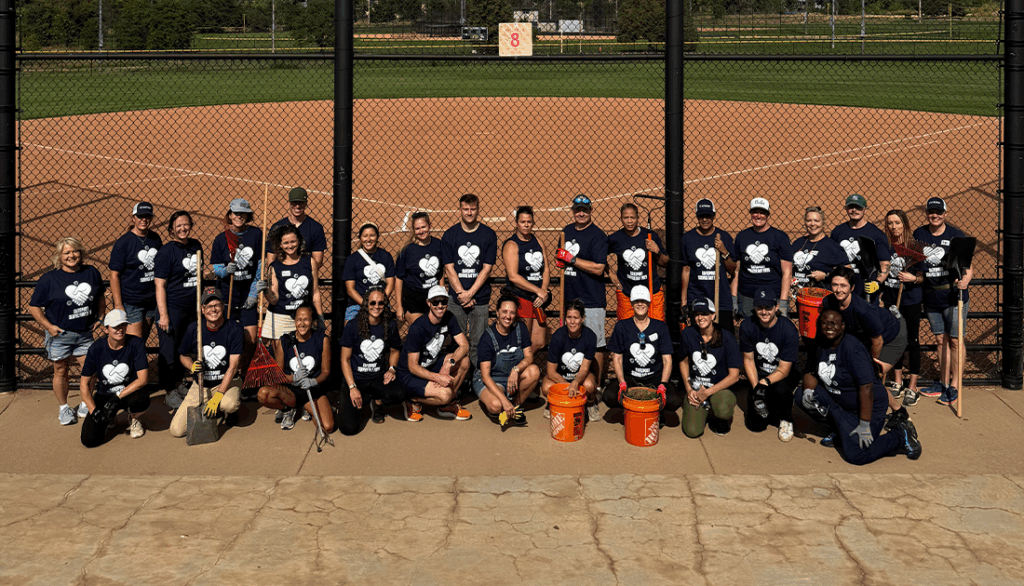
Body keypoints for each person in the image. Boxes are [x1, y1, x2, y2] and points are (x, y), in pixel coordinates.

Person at [796, 309, 921, 464]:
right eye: (825, 322)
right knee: (801, 396)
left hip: (869, 406)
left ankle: (900, 436)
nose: (829, 326)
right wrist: (808, 390)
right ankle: (841, 431)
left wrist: (864, 424)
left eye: (834, 323)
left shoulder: (852, 348)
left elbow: (866, 388)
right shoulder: (819, 343)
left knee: (856, 454)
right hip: (840, 402)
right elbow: (810, 371)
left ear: (843, 326)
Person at [28, 236, 106, 425]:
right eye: (67, 253)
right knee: (60, 371)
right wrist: (48, 327)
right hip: (60, 334)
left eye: (74, 251)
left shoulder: (91, 272)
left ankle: (84, 403)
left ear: (81, 253)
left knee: (91, 370)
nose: (71, 255)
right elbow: (34, 306)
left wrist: (101, 317)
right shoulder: (49, 279)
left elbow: (100, 298)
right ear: (59, 256)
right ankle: (63, 408)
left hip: (84, 333)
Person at [822, 266, 912, 427]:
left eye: (843, 285)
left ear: (852, 287)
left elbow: (878, 341)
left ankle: (899, 411)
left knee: (870, 376)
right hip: (864, 337)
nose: (838, 289)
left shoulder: (862, 311)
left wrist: (870, 361)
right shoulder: (829, 302)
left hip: (891, 336)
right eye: (835, 284)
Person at [913, 197, 973, 405]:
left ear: (945, 214)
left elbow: (967, 268)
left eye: (939, 212)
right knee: (940, 340)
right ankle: (942, 383)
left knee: (956, 340)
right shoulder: (919, 234)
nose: (935, 215)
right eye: (931, 212)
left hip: (953, 296)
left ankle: (955, 385)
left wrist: (964, 281)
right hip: (931, 295)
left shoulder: (956, 236)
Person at [602, 286, 682, 424]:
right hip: (630, 377)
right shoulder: (622, 326)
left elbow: (667, 360)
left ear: (649, 303)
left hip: (654, 378)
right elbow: (617, 358)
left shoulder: (660, 327)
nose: (640, 304)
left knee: (674, 401)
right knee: (609, 396)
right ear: (632, 304)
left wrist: (663, 385)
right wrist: (622, 382)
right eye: (637, 301)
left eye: (644, 301)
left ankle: (654, 411)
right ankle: (631, 410)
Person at [170, 288, 244, 437]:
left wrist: (218, 396)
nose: (213, 309)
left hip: (226, 382)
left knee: (229, 404)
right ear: (202, 310)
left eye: (217, 305)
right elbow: (182, 355)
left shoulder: (234, 329)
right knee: (177, 431)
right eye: (209, 306)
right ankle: (212, 407)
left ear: (222, 306)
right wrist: (192, 366)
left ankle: (225, 410)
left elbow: (233, 366)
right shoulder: (194, 329)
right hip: (202, 384)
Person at [395, 285, 472, 422]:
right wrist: (437, 378)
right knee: (445, 394)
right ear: (428, 303)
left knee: (464, 361)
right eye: (435, 302)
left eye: (443, 301)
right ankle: (413, 400)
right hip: (409, 374)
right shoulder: (418, 327)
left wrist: (449, 363)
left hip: (430, 365)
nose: (440, 305)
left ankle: (446, 405)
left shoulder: (449, 317)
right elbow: (412, 366)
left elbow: (464, 345)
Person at [338, 289, 407, 433]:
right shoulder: (352, 325)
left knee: (399, 393)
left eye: (381, 303)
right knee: (348, 429)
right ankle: (360, 398)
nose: (377, 306)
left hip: (378, 377)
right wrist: (352, 387)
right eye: (373, 303)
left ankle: (377, 402)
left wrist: (392, 369)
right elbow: (345, 359)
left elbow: (395, 351)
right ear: (365, 304)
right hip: (356, 378)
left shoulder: (390, 325)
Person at [154, 210, 203, 409]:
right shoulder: (166, 252)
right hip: (172, 309)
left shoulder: (196, 246)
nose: (183, 228)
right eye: (178, 226)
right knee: (169, 350)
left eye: (186, 225)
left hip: (192, 309)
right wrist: (164, 315)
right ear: (172, 229)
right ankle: (169, 390)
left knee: (187, 347)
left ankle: (182, 383)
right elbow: (160, 285)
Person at [558, 194, 609, 384]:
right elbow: (560, 260)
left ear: (591, 211)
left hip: (592, 299)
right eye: (577, 210)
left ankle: (595, 386)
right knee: (570, 341)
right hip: (570, 299)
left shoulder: (598, 236)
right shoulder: (566, 232)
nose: (581, 214)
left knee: (595, 345)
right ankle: (571, 382)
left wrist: (571, 259)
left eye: (584, 210)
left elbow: (598, 268)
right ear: (572, 211)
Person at [257, 305, 333, 433]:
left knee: (327, 427)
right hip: (292, 391)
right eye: (299, 319)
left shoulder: (322, 339)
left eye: (306, 319)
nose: (302, 324)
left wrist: (314, 381)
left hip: (313, 390)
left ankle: (307, 407)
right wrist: (294, 378)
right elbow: (278, 375)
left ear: (313, 321)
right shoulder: (285, 341)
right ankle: (288, 408)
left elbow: (326, 371)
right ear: (294, 321)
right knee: (263, 394)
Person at [441, 193, 497, 367]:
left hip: (479, 298)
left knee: (478, 342)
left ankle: (476, 378)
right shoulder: (450, 235)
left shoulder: (488, 235)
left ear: (478, 209)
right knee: (455, 341)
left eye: (473, 209)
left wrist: (470, 293)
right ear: (460, 210)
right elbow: (449, 268)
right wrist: (461, 294)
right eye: (466, 209)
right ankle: (457, 378)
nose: (469, 213)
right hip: (456, 299)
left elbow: (486, 269)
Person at [79, 310, 150, 446]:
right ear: (106, 329)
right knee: (89, 440)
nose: (120, 330)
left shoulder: (136, 343)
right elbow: (84, 384)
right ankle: (109, 418)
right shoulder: (96, 348)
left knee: (141, 400)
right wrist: (94, 411)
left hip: (128, 393)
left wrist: (117, 397)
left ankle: (135, 418)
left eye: (123, 325)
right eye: (115, 326)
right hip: (104, 395)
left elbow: (143, 379)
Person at [738, 287, 801, 441]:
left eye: (768, 307)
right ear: (754, 308)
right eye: (760, 307)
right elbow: (748, 360)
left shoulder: (787, 329)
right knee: (755, 425)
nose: (764, 312)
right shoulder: (747, 326)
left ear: (776, 307)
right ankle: (769, 405)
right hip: (759, 373)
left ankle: (786, 418)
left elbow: (784, 369)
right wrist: (756, 389)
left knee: (780, 389)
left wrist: (764, 383)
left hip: (783, 374)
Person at [473, 294, 541, 428]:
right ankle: (504, 404)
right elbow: (485, 376)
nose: (508, 316)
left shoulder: (520, 329)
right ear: (497, 312)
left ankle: (514, 407)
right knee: (496, 405)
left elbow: (529, 357)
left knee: (534, 371)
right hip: (492, 378)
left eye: (512, 313)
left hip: (511, 376)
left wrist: (516, 370)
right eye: (504, 312)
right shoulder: (487, 338)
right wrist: (504, 401)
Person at [678, 298, 741, 438]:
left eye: (704, 313)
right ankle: (702, 412)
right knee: (692, 431)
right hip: (696, 388)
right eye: (697, 314)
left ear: (713, 315)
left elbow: (735, 375)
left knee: (723, 409)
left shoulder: (727, 337)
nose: (700, 318)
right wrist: (689, 389)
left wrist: (708, 392)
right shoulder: (688, 334)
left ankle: (720, 418)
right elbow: (683, 361)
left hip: (719, 388)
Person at [882, 209, 925, 406]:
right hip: (892, 299)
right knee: (895, 338)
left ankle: (913, 386)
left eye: (897, 223)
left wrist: (913, 278)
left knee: (912, 341)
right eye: (890, 223)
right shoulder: (886, 245)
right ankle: (898, 380)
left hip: (911, 300)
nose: (894, 227)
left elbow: (924, 276)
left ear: (904, 224)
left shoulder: (915, 246)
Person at [211, 198, 263, 349]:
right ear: (230, 215)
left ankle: (245, 372)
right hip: (228, 293)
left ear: (247, 216)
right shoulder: (221, 239)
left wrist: (254, 293)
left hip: (248, 292)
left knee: (251, 339)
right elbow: (217, 269)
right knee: (226, 337)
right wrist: (225, 271)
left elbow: (259, 266)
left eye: (243, 213)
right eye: (235, 213)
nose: (239, 216)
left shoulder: (256, 234)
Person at [680, 198, 737, 334]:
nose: (705, 219)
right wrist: (684, 301)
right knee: (699, 338)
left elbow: (732, 268)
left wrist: (724, 251)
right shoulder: (688, 238)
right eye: (701, 216)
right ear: (697, 216)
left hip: (720, 298)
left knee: (723, 338)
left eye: (708, 216)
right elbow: (686, 270)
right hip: (697, 297)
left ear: (714, 216)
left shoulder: (724, 237)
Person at [108, 201, 162, 342]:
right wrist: (119, 305)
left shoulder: (155, 239)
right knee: (134, 343)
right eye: (140, 216)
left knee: (141, 340)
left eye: (147, 216)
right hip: (132, 301)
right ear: (133, 218)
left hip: (151, 300)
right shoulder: (123, 243)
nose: (144, 220)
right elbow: (114, 275)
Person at [501, 206, 551, 355]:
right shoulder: (512, 244)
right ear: (516, 223)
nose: (526, 225)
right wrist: (539, 290)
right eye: (523, 222)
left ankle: (525, 366)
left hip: (538, 299)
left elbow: (546, 269)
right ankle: (518, 371)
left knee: (539, 341)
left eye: (529, 222)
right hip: (522, 297)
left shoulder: (538, 242)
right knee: (523, 341)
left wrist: (543, 292)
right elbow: (513, 276)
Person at [260, 225, 324, 340]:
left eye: (293, 241)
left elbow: (315, 293)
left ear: (299, 241)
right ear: (280, 244)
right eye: (286, 243)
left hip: (304, 317)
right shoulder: (274, 267)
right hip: (281, 317)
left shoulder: (309, 262)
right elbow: (274, 300)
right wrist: (266, 291)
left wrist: (320, 317)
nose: (290, 246)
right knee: (280, 355)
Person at [734, 197, 793, 319]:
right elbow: (736, 270)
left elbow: (787, 272)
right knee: (750, 329)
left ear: (767, 214)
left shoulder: (780, 237)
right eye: (755, 212)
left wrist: (783, 301)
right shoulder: (742, 237)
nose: (758, 216)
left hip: (773, 293)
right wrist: (734, 297)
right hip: (748, 294)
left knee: (774, 329)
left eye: (762, 213)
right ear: (750, 213)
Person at [542, 299, 600, 422]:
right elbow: (551, 371)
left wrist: (575, 383)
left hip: (580, 377)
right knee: (547, 387)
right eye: (569, 317)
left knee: (589, 385)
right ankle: (553, 403)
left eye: (576, 318)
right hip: (560, 376)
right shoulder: (558, 336)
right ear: (565, 319)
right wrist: (568, 387)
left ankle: (590, 402)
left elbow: (584, 368)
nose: (572, 322)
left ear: (582, 319)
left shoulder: (590, 336)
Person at [608, 203, 668, 321]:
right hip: (627, 291)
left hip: (651, 290)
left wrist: (657, 251)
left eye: (632, 218)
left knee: (656, 326)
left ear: (638, 218)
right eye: (626, 218)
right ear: (621, 218)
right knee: (627, 328)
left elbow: (664, 262)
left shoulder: (650, 236)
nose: (629, 221)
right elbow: (598, 255)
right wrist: (611, 274)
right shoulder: (616, 238)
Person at [830, 193, 891, 300]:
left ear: (865, 210)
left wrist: (877, 283)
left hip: (867, 290)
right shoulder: (838, 232)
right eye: (851, 207)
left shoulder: (876, 234)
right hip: (843, 290)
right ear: (846, 208)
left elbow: (885, 263)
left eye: (858, 207)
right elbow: (831, 259)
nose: (854, 210)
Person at [395, 211, 443, 326]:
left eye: (423, 227)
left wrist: (442, 294)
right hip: (413, 300)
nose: (421, 231)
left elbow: (441, 273)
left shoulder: (438, 245)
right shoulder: (406, 251)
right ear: (413, 230)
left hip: (433, 298)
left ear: (430, 226)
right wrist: (399, 306)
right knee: (421, 329)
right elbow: (399, 278)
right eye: (417, 228)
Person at [341, 222, 395, 324]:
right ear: (360, 238)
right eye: (365, 236)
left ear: (377, 237)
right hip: (358, 303)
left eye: (372, 235)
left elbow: (390, 283)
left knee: (387, 327)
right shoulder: (353, 259)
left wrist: (380, 302)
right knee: (349, 326)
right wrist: (366, 304)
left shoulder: (385, 256)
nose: (368, 239)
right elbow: (350, 289)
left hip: (380, 302)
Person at [266, 187, 327, 267]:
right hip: (282, 274)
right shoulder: (277, 227)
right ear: (289, 203)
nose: (297, 206)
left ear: (306, 203)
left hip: (305, 274)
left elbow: (318, 261)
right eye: (294, 203)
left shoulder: (315, 228)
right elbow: (271, 259)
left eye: (301, 203)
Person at [791, 206, 848, 290]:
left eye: (816, 221)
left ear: (823, 223)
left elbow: (847, 271)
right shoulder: (798, 243)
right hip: (799, 296)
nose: (812, 224)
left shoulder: (831, 246)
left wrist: (826, 276)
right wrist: (790, 278)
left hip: (822, 296)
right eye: (808, 220)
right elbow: (787, 266)